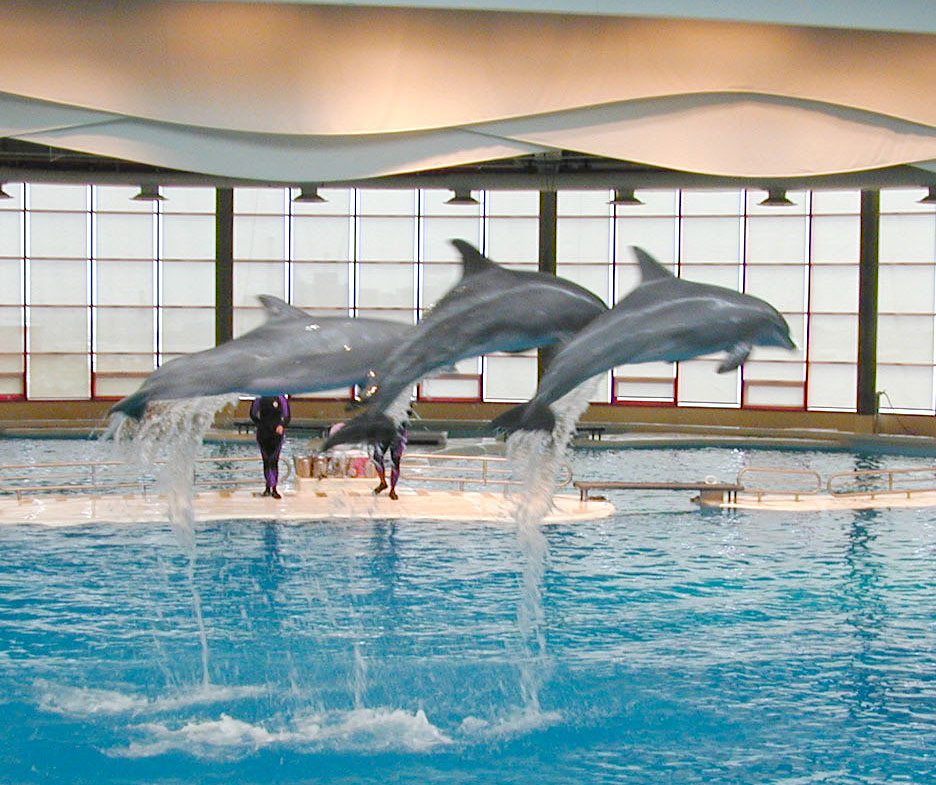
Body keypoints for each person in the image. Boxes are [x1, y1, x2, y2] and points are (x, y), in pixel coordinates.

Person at [249, 394, 290, 498]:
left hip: (276, 434)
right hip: (263, 433)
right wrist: (260, 424)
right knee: (266, 460)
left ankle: (274, 488)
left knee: (274, 460)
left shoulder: (280, 397)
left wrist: (282, 425)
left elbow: (287, 416)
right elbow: (252, 414)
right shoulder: (259, 397)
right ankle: (267, 487)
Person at [372, 419, 408, 500]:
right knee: (377, 459)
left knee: (395, 461)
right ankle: (383, 483)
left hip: (398, 433)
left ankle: (392, 489)